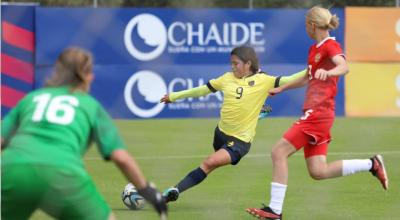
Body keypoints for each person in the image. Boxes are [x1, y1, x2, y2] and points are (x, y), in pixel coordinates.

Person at [246, 6, 388, 220]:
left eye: (306, 24)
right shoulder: (314, 49)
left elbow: (344, 66)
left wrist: (328, 71)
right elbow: (307, 76)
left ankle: (275, 210)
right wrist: (282, 88)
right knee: (318, 171)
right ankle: (372, 164)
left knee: (278, 152)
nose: (305, 28)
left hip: (318, 113)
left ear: (312, 25)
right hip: (318, 114)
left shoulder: (331, 46)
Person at [1, 48, 167, 220]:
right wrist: (146, 190)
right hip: (62, 173)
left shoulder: (32, 98)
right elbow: (120, 157)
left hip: (13, 169)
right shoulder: (90, 105)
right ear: (85, 75)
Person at [161, 45, 307, 203]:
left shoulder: (265, 81)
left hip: (240, 141)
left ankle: (174, 191)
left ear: (248, 64)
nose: (232, 67)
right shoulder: (226, 78)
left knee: (209, 163)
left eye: (236, 63)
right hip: (220, 133)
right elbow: (203, 90)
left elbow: (291, 79)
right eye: (231, 63)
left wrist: (313, 67)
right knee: (213, 159)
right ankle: (256, 114)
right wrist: (174, 96)